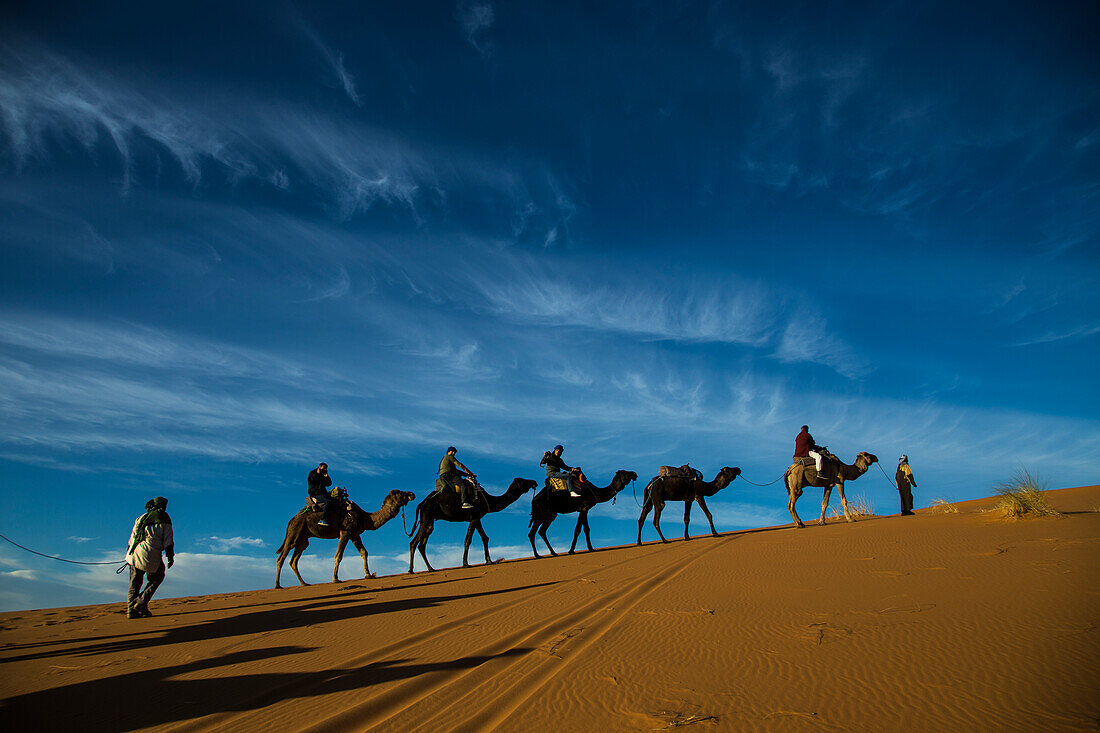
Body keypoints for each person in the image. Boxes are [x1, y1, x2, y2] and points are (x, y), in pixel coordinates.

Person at [125, 496, 174, 619]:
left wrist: (129, 554)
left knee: (134, 583)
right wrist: (170, 556)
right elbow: (168, 540)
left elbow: (133, 537)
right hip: (151, 553)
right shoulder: (164, 518)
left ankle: (131, 609)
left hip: (135, 553)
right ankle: (140, 603)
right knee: (158, 577)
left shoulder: (141, 518)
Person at [308, 462, 337, 527]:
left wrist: (326, 476)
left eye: (325, 469)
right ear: (319, 467)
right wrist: (317, 474)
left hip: (323, 493)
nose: (324, 470)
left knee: (335, 501)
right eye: (323, 468)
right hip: (315, 493)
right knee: (328, 502)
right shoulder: (312, 473)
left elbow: (329, 483)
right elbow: (311, 481)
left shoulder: (323, 475)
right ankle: (323, 519)